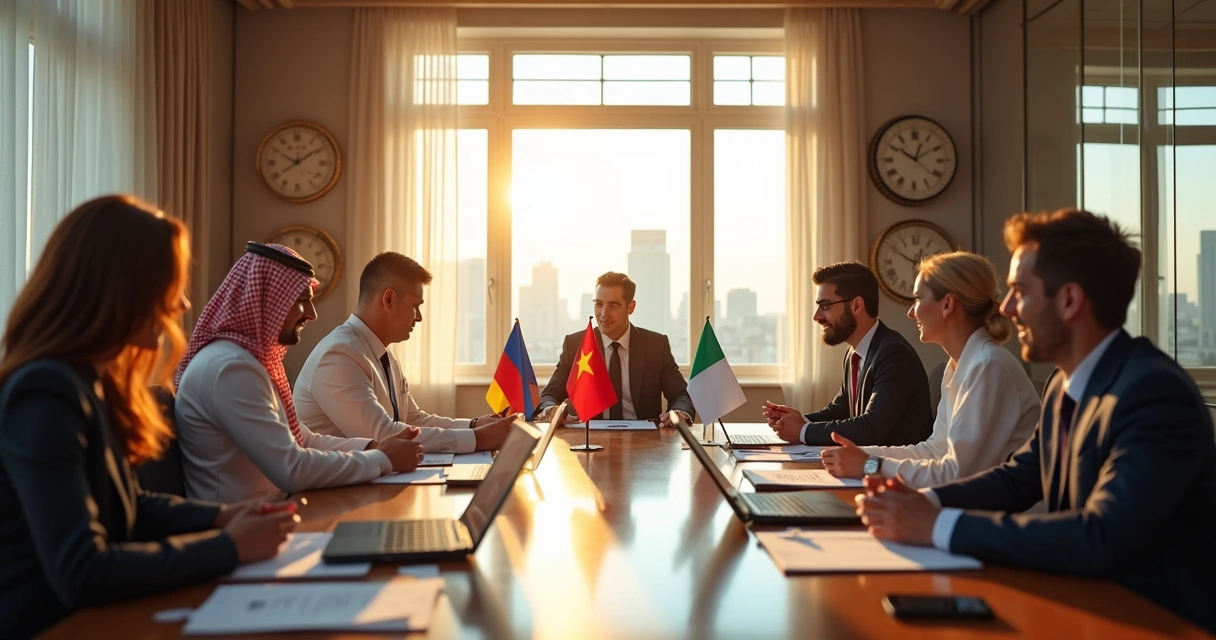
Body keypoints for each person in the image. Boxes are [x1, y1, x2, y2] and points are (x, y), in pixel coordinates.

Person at [855, 209, 1216, 632]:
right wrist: (924, 504)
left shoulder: (1153, 393)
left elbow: (1103, 535)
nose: (1006, 308)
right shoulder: (1064, 385)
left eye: (1020, 292)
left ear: (1069, 300)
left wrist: (938, 525)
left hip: (1152, 621)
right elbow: (1017, 479)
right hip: (1084, 602)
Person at [0, 196, 297, 637]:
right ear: (122, 288)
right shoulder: (44, 391)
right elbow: (82, 571)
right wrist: (228, 547)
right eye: (169, 285)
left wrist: (222, 517)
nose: (182, 304)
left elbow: (129, 504)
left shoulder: (91, 380)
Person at [175, 243, 424, 503]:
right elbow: (292, 469)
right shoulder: (230, 368)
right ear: (269, 300)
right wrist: (384, 459)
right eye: (302, 300)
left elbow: (305, 439)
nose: (312, 314)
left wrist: (375, 448)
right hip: (239, 531)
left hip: (273, 515)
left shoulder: (247, 361)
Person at [820, 252, 1039, 487]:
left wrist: (868, 465)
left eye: (917, 299)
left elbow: (955, 473)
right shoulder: (957, 366)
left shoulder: (988, 366)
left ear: (947, 305)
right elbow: (934, 450)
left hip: (1003, 517)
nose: (911, 312)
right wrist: (854, 453)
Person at [295, 252, 516, 452]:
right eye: (415, 306)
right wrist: (478, 438)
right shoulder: (339, 354)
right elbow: (383, 435)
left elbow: (414, 419)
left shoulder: (383, 354)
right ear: (388, 299)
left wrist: (475, 425)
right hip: (335, 491)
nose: (418, 317)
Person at [763, 262, 933, 445]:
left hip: (892, 469)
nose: (817, 316)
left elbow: (871, 428)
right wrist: (797, 421)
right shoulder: (855, 353)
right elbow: (840, 410)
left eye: (825, 306)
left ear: (856, 306)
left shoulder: (894, 354)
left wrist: (802, 431)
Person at [535, 272, 694, 426]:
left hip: (644, 441)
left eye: (613, 305)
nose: (603, 314)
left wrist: (679, 412)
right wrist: (552, 412)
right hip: (588, 438)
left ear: (630, 307)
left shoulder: (656, 345)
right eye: (599, 304)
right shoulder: (576, 344)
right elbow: (549, 396)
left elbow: (680, 396)